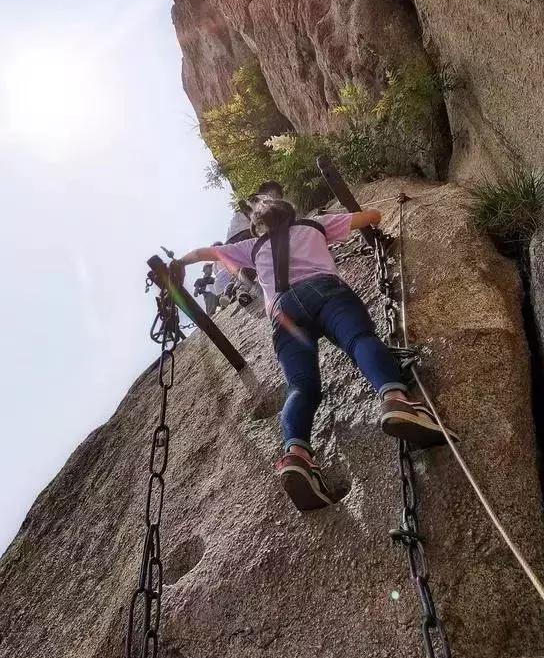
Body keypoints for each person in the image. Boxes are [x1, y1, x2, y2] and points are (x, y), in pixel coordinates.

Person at [174, 181, 458, 512]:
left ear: (260, 227)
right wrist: (366, 218)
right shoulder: (315, 225)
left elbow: (205, 253)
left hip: (282, 313)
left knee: (301, 386)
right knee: (358, 340)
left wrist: (179, 264)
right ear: (291, 214)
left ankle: (297, 456)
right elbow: (371, 215)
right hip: (324, 290)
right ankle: (396, 401)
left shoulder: (252, 246)